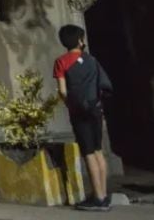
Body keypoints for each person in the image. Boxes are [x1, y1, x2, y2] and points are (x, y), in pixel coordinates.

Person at [54, 24, 114, 212]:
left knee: (87, 153)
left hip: (78, 111)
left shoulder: (61, 62)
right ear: (80, 40)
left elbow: (63, 91)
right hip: (96, 109)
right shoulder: (92, 60)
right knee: (98, 151)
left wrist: (70, 104)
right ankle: (103, 195)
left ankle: (97, 197)